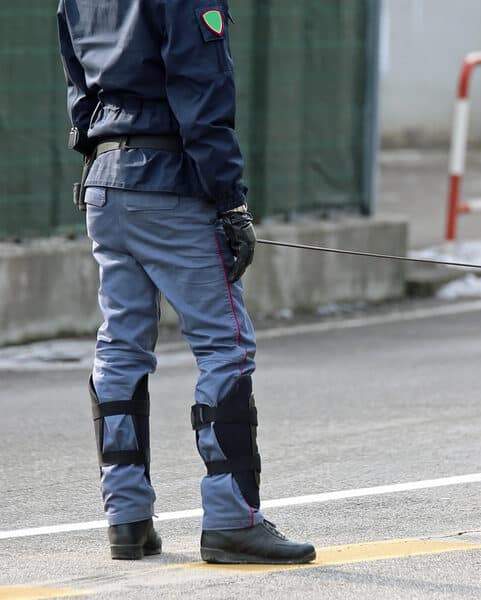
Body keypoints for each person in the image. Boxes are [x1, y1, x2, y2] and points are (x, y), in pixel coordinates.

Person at [57, 0, 315, 564]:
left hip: (104, 181)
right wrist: (230, 202)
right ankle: (231, 520)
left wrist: (100, 154)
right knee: (226, 346)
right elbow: (201, 92)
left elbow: (76, 82)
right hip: (169, 182)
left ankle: (126, 519)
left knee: (121, 346)